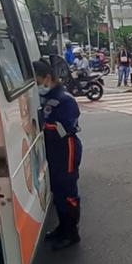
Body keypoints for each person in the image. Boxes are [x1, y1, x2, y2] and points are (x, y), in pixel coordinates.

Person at [34, 59, 82, 249]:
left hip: (66, 149)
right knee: (57, 191)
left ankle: (72, 233)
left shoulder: (65, 99)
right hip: (53, 151)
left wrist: (43, 125)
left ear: (48, 78)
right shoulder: (46, 98)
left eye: (38, 82)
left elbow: (65, 128)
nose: (38, 86)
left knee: (67, 190)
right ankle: (62, 228)